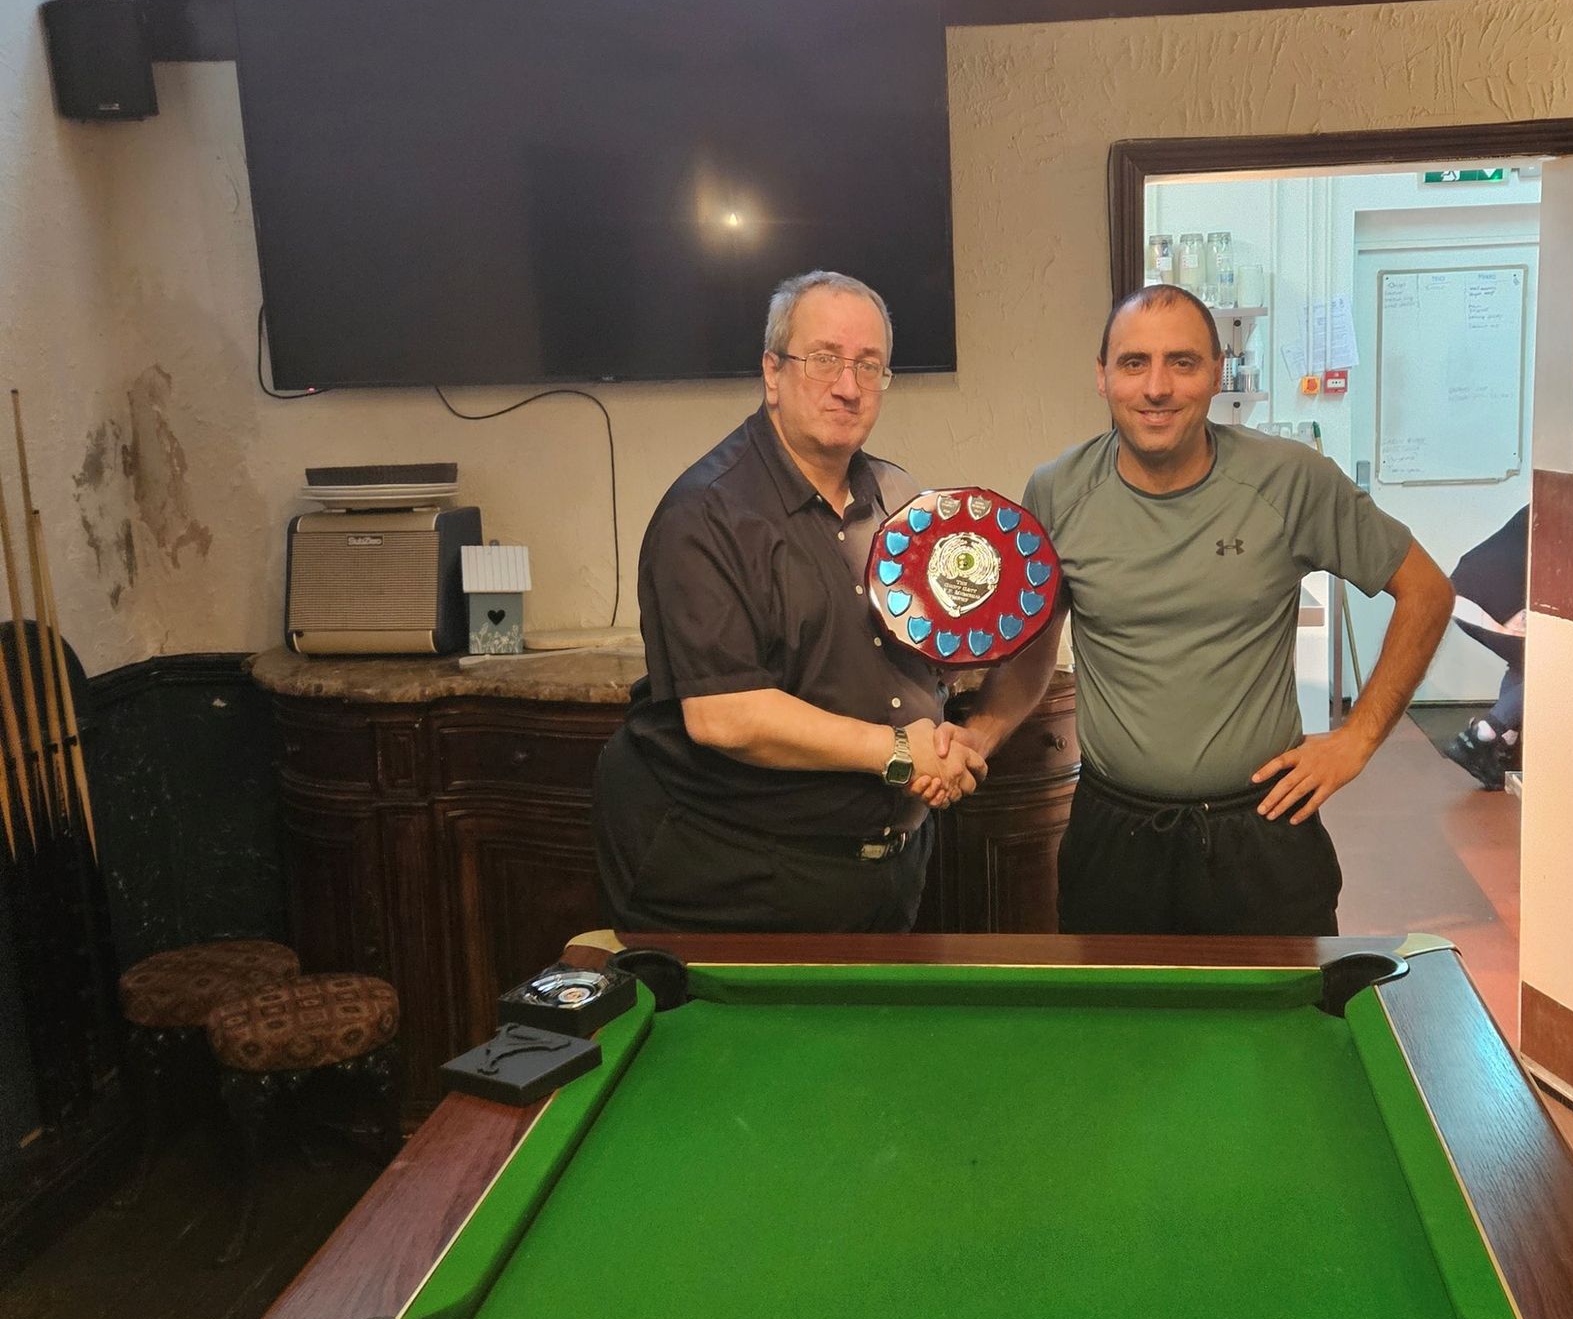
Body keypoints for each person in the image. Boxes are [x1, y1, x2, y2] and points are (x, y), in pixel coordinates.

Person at [947, 283, 1454, 936]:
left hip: (1263, 835)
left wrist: (1358, 739)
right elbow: (1034, 654)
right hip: (1112, 838)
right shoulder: (1057, 490)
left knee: (1279, 1032)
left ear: (1217, 373)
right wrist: (980, 733)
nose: (1157, 387)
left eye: (1182, 362)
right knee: (1124, 1035)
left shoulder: (1290, 479)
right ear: (1103, 377)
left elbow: (1427, 591)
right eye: (1134, 363)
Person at [593, 269, 982, 934]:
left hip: (886, 868)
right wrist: (898, 751)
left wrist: (950, 729)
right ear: (772, 373)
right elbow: (726, 716)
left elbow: (923, 649)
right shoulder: (706, 514)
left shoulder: (900, 495)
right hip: (739, 878)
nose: (848, 385)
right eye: (824, 359)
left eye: (870, 365)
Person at [1442, 506, 1528, 789]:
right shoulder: (1570, 515)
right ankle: (1481, 737)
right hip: (1489, 600)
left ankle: (1503, 744)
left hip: (1462, 590)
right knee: (1548, 668)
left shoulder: (1541, 503)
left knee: (1524, 661)